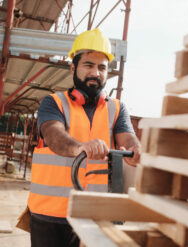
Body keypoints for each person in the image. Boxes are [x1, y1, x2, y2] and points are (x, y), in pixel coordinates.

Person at [27, 28, 141, 247]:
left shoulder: (117, 109)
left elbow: (128, 139)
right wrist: (80, 147)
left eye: (102, 67)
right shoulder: (53, 103)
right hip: (50, 214)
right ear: (73, 68)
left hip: (94, 215)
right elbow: (54, 136)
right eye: (88, 65)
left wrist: (135, 149)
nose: (95, 73)